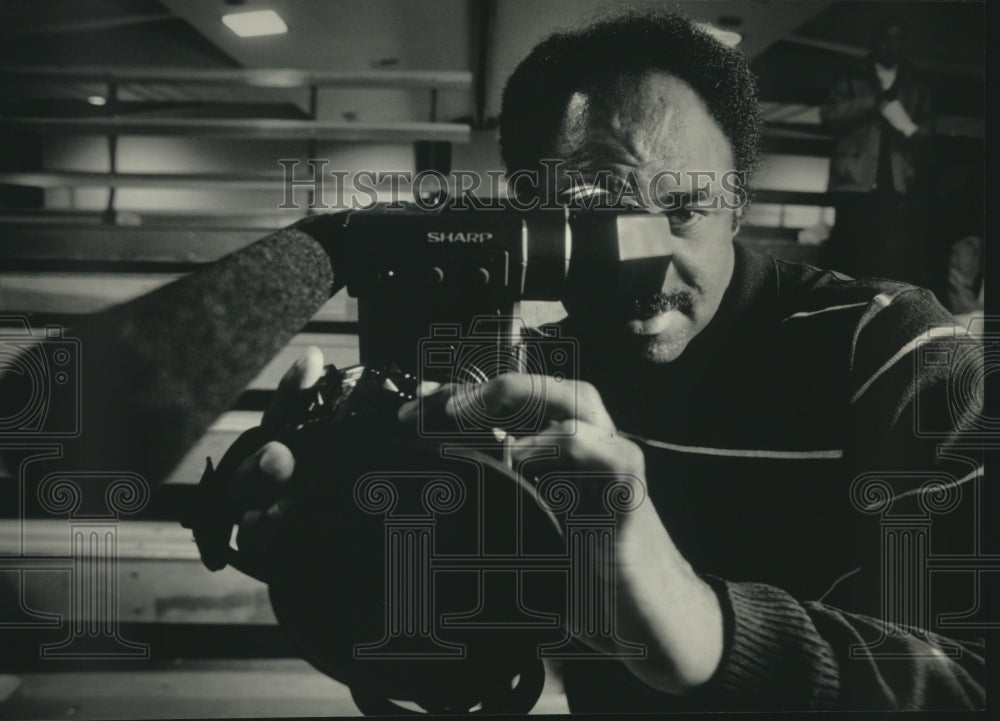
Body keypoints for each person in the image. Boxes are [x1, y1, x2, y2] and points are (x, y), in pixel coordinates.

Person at [222, 11, 985, 711]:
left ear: (740, 201)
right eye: (597, 220)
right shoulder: (527, 382)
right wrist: (342, 547)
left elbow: (976, 678)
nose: (647, 266)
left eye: (681, 209)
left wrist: (708, 630)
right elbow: (465, 656)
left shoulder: (893, 352)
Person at [819, 14, 934, 285]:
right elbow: (829, 115)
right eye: (885, 38)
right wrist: (871, 104)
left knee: (884, 252)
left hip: (895, 181)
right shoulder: (852, 74)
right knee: (846, 247)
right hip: (853, 179)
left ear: (905, 43)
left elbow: (928, 126)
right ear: (875, 41)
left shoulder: (917, 82)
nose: (891, 45)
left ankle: (874, 302)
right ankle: (839, 298)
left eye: (897, 39)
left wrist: (915, 132)